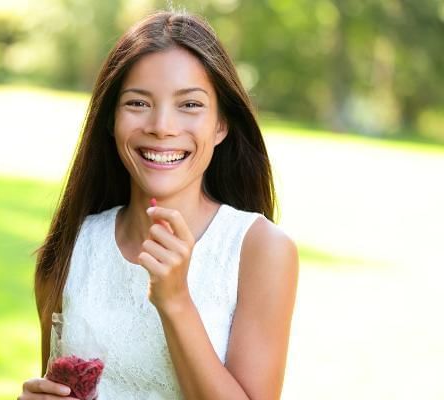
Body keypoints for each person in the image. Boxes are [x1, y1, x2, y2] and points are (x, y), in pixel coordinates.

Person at [18, 9, 298, 400]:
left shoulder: (260, 249)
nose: (162, 126)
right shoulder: (71, 247)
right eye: (137, 103)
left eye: (190, 105)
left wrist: (176, 301)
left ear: (221, 125)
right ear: (111, 120)